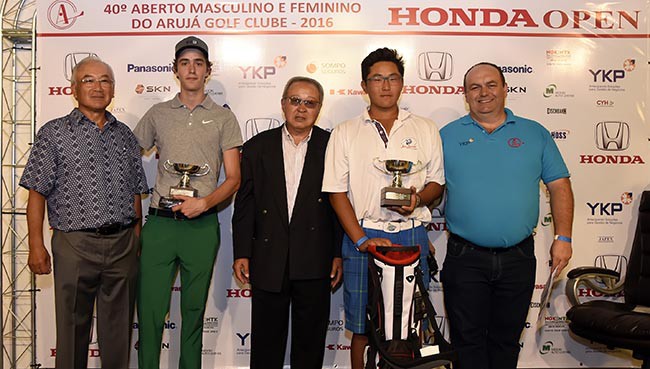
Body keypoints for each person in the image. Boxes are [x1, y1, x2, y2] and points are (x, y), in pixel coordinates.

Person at [439, 62, 574, 369]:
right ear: (465, 94)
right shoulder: (446, 135)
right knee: (467, 342)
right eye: (474, 87)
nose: (483, 93)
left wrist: (562, 237)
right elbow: (431, 187)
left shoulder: (534, 133)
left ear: (505, 89)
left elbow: (559, 186)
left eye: (490, 84)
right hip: (465, 258)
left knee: (506, 342)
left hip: (518, 258)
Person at [21, 56, 148, 369]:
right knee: (72, 329)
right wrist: (36, 245)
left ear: (113, 89)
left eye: (105, 80)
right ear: (74, 89)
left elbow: (135, 192)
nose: (98, 87)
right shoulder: (53, 133)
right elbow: (36, 193)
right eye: (89, 80)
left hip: (122, 245)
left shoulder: (125, 136)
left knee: (118, 334)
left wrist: (135, 240)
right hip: (75, 245)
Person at [322, 48, 445, 369]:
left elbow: (437, 184)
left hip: (411, 235)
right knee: (362, 327)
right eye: (377, 79)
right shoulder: (345, 131)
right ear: (364, 86)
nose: (386, 86)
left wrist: (417, 200)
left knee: (414, 323)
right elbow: (336, 193)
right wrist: (361, 240)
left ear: (402, 83)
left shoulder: (426, 128)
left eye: (392, 78)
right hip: (364, 237)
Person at [134, 36, 243, 369]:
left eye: (198, 63)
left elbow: (234, 178)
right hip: (160, 224)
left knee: (194, 313)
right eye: (185, 63)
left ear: (207, 71)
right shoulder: (157, 113)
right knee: (150, 311)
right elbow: (128, 159)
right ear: (175, 70)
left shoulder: (224, 118)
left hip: (201, 226)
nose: (192, 69)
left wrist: (205, 203)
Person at [232, 76, 343, 369]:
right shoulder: (257, 146)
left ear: (319, 108)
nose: (302, 108)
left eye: (310, 103)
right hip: (269, 257)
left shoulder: (331, 146)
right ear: (283, 104)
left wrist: (336, 253)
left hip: (315, 256)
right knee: (266, 344)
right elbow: (245, 204)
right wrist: (242, 252)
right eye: (295, 100)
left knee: (310, 343)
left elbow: (339, 205)